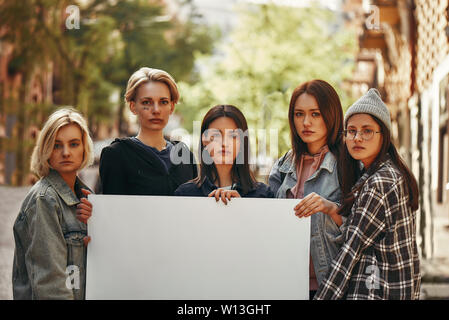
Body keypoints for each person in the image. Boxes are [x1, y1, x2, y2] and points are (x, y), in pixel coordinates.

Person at [315, 88, 421, 300]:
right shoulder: (386, 173)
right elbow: (366, 233)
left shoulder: (380, 182)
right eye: (351, 131)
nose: (357, 138)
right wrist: (331, 208)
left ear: (384, 135)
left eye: (367, 131)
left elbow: (349, 253)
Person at [268, 79, 345, 300]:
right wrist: (236, 196)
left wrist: (331, 208)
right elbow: (265, 213)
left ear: (331, 115)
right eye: (299, 114)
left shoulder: (348, 165)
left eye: (315, 114)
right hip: (287, 281)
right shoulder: (283, 164)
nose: (306, 122)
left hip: (331, 285)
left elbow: (362, 227)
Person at [12, 108, 94, 300]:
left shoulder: (85, 197)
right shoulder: (45, 199)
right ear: (46, 149)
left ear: (84, 148)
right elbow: (51, 284)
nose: (66, 152)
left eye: (74, 144)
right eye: (57, 146)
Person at [99, 67, 197, 195]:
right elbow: (110, 210)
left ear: (171, 107)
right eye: (147, 102)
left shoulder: (185, 156)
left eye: (163, 102)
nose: (156, 110)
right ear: (133, 107)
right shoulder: (116, 155)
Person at [175, 104, 273, 201]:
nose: (224, 143)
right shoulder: (185, 194)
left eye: (233, 136)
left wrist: (242, 207)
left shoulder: (263, 195)